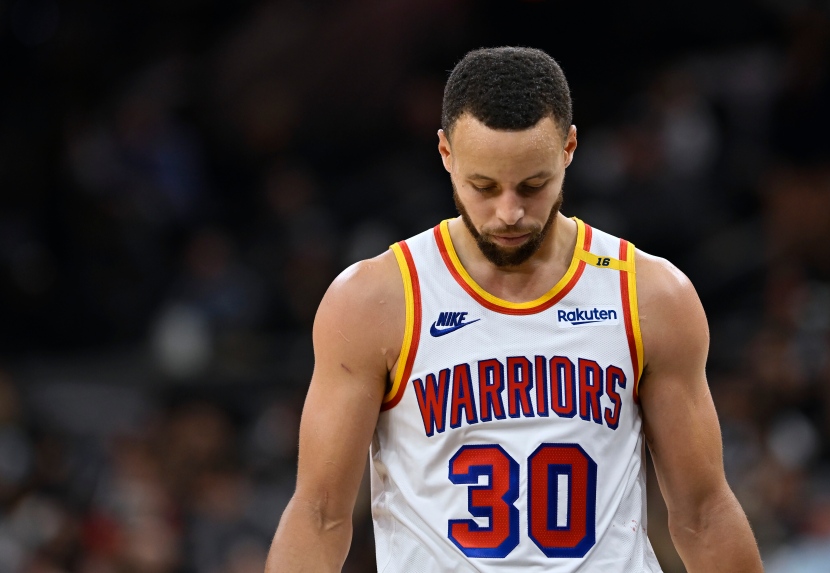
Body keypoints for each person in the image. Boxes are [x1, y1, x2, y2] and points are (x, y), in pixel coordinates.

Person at [264, 46, 764, 572]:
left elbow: (703, 512)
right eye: (483, 187)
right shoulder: (375, 299)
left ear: (569, 149)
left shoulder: (649, 294)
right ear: (446, 154)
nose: (509, 212)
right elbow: (319, 516)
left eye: (533, 185)